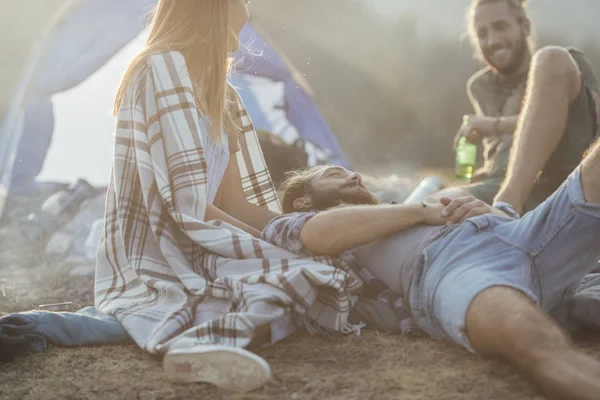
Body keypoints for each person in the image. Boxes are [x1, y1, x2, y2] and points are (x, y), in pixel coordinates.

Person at [94, 0, 363, 392]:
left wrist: (298, 231)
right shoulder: (159, 70)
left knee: (318, 275)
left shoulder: (225, 96)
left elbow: (234, 205)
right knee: (301, 277)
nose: (244, 22)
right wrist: (275, 247)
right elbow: (186, 208)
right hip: (169, 243)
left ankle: (214, 339)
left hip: (209, 231)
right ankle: (196, 345)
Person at [263, 138, 600, 400]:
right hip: (454, 269)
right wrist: (423, 211)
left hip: (517, 234)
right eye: (335, 174)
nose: (353, 174)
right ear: (303, 201)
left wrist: (490, 213)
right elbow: (318, 234)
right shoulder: (293, 223)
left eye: (349, 171)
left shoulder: (395, 211)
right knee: (536, 345)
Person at [454, 0, 600, 213]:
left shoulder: (565, 63)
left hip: (559, 182)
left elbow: (591, 121)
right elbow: (501, 149)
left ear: (525, 27)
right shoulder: (480, 86)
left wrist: (494, 125)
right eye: (482, 34)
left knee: (551, 56)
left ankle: (507, 206)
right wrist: (485, 169)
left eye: (500, 26)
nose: (492, 40)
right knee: (439, 202)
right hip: (494, 185)